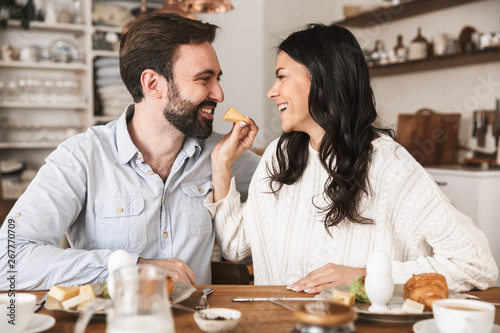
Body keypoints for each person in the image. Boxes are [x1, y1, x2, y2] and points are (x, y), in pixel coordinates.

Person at [207, 23, 498, 293]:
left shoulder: (390, 165)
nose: (272, 92)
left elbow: (477, 265)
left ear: (321, 77)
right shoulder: (279, 157)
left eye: (281, 76)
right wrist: (221, 166)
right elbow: (235, 247)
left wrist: (366, 274)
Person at [0, 13, 260, 290]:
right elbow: (8, 259)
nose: (219, 94)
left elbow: (294, 185)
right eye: (203, 79)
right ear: (152, 84)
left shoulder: (225, 155)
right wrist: (131, 267)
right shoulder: (80, 158)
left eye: (217, 78)